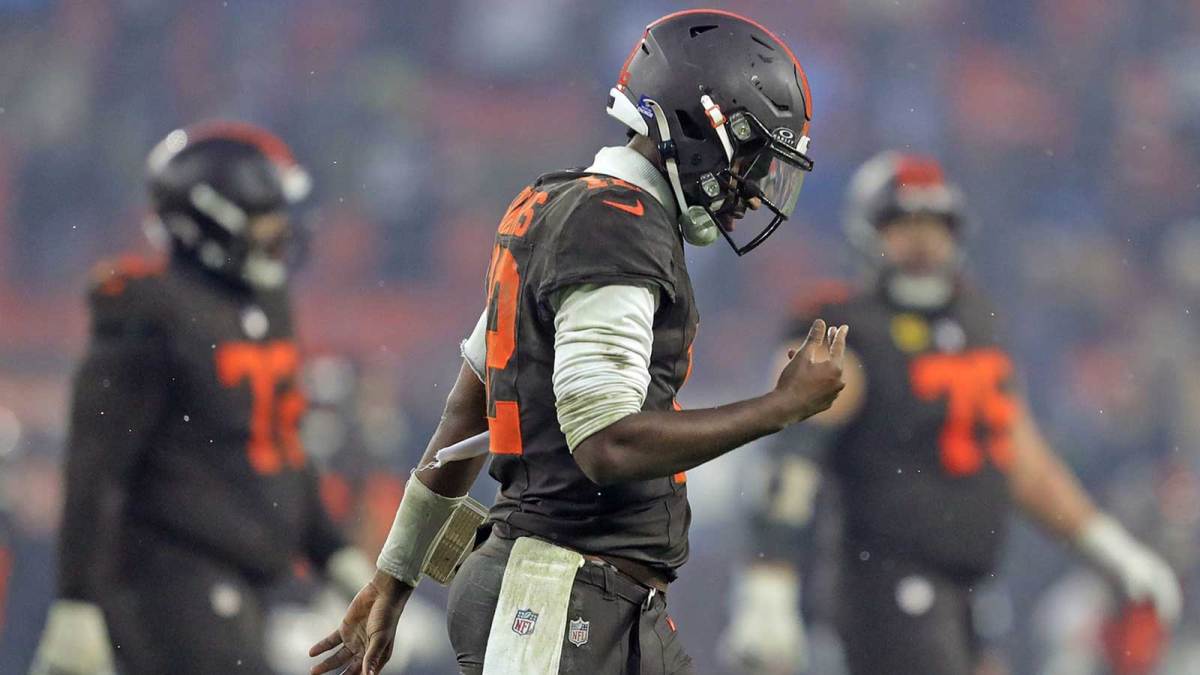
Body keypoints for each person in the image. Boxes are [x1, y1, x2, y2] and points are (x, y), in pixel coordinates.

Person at [309, 10, 846, 675]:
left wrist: (395, 575)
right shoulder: (615, 224)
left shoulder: (559, 203)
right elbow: (606, 441)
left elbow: (464, 419)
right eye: (752, 159)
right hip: (557, 594)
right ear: (703, 126)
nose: (755, 188)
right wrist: (780, 407)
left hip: (585, 596)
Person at [724, 151, 1183, 675]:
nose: (921, 241)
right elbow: (788, 461)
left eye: (934, 224)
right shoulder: (844, 325)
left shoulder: (975, 320)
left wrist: (1107, 546)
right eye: (903, 223)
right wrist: (765, 587)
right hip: (887, 583)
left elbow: (1018, 455)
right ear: (867, 231)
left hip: (969, 587)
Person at [30, 122, 375, 675]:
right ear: (214, 219)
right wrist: (76, 599)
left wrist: (332, 552)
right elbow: (96, 467)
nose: (281, 228)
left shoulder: (264, 304)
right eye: (266, 214)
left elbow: (279, 443)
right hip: (170, 583)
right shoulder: (146, 311)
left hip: (247, 583)